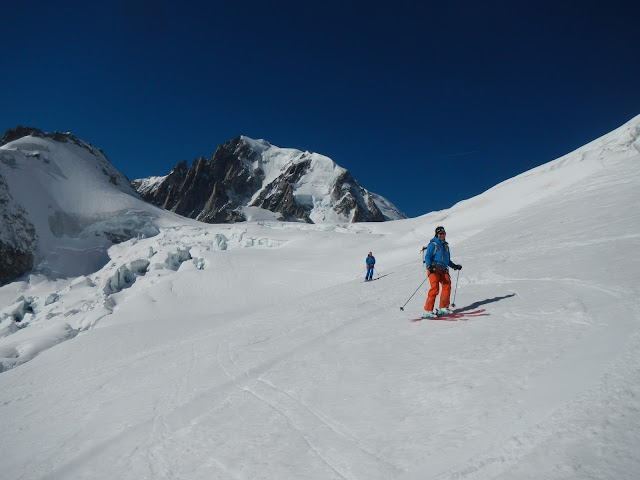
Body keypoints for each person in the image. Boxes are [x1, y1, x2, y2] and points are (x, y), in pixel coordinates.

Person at [423, 226, 462, 318]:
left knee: (447, 286)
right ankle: (428, 310)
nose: (442, 235)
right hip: (434, 268)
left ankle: (443, 308)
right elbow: (427, 256)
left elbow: (447, 261)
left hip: (444, 269)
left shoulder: (446, 247)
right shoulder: (433, 244)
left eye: (443, 233)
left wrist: (454, 266)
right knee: (435, 288)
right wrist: (429, 267)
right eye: (440, 234)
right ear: (437, 234)